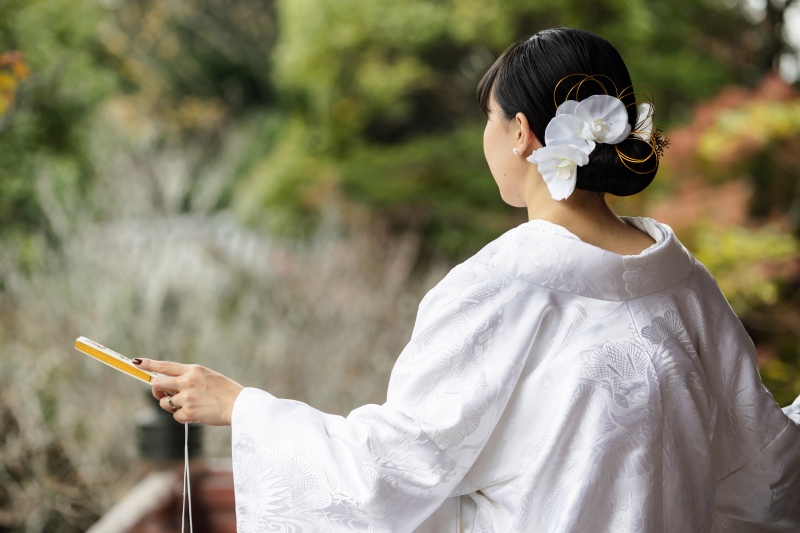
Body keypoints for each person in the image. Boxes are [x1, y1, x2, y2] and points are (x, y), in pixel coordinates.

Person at [132, 28, 800, 532]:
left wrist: (244, 407)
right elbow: (765, 467)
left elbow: (389, 471)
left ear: (520, 133)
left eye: (488, 117)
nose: (484, 136)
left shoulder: (501, 284)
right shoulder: (683, 285)